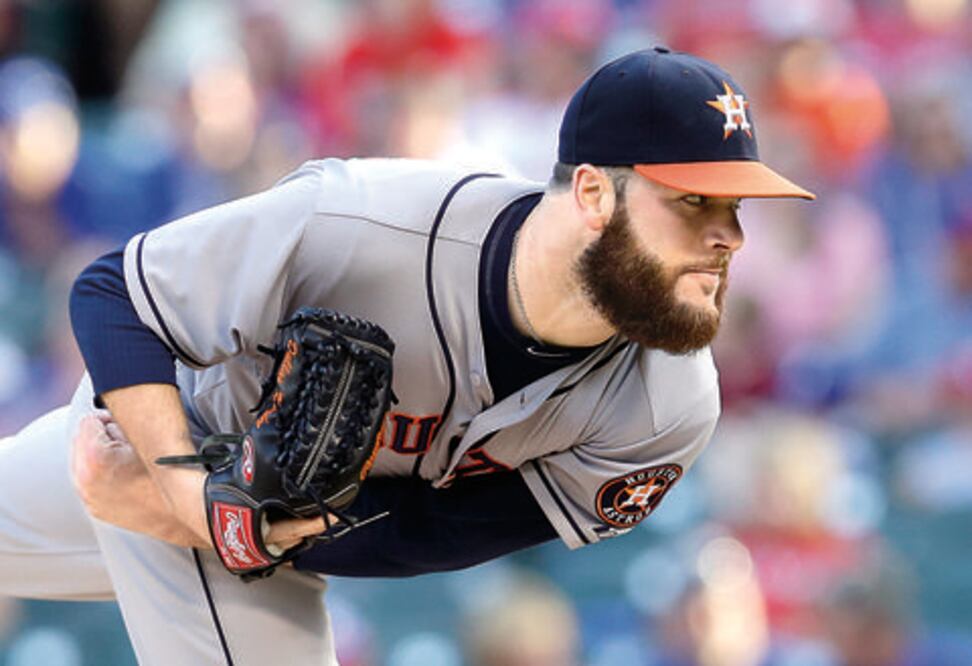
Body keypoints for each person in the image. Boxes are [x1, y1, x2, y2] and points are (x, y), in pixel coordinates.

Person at [0, 47, 813, 665]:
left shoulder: (669, 406)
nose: (730, 238)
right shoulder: (362, 221)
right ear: (596, 195)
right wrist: (179, 489)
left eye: (735, 207)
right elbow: (113, 295)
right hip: (164, 428)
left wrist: (233, 528)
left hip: (264, 536)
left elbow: (432, 534)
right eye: (692, 203)